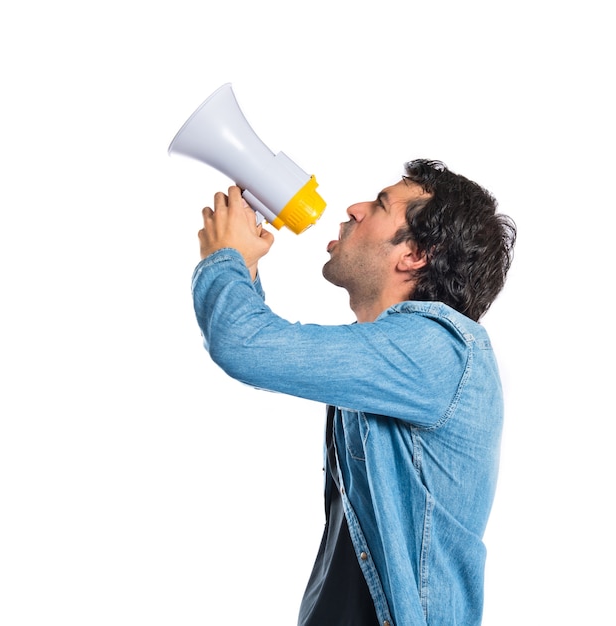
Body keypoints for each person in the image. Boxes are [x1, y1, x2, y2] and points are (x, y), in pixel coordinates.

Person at [191, 159, 516, 626]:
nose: (354, 208)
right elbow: (261, 344)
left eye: (380, 204)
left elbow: (243, 343)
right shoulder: (386, 365)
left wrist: (224, 258)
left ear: (415, 254)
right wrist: (240, 262)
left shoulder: (437, 351)